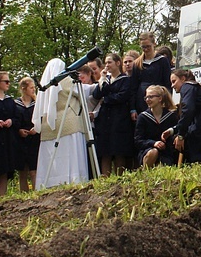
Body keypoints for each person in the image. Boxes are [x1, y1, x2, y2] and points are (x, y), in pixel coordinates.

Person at [34, 58, 90, 189]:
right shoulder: (66, 81)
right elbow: (83, 93)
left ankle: (48, 183)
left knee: (52, 158)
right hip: (69, 123)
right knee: (70, 156)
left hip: (48, 125)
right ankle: (75, 180)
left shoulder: (45, 83)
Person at [162, 69, 201, 163]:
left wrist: (181, 135)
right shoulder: (194, 87)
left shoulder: (186, 86)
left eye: (174, 81)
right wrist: (173, 130)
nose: (172, 85)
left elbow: (188, 111)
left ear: (183, 79)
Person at [93, 53, 133, 175]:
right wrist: (102, 80)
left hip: (119, 119)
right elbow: (96, 95)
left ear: (117, 63)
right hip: (105, 120)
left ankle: (119, 178)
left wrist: (106, 99)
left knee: (118, 151)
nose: (107, 65)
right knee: (105, 152)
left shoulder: (125, 80)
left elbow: (121, 97)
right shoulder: (106, 79)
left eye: (109, 62)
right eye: (106, 63)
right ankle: (105, 179)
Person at [134, 85, 179, 167]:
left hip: (166, 152)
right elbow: (138, 140)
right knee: (153, 152)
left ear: (160, 98)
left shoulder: (171, 116)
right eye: (146, 97)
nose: (148, 100)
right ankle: (145, 173)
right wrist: (153, 143)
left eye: (151, 97)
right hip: (148, 150)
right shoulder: (143, 117)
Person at [130, 32, 172, 119]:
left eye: (148, 46)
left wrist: (167, 101)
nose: (146, 49)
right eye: (143, 47)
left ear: (154, 44)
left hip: (159, 101)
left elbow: (168, 83)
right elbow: (133, 87)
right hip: (142, 100)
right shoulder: (137, 63)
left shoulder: (162, 61)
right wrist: (133, 108)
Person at [14, 77, 39, 191]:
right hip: (21, 140)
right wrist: (19, 130)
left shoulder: (37, 103)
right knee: (22, 171)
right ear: (24, 89)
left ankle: (36, 193)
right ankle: (23, 195)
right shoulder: (15, 104)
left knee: (34, 170)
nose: (33, 90)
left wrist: (36, 128)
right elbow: (14, 120)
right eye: (31, 87)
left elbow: (41, 119)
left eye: (34, 87)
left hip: (34, 138)